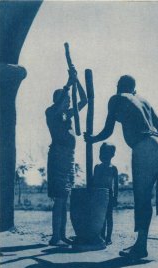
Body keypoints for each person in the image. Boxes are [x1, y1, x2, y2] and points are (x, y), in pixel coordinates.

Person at [84, 75, 158, 258]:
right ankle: (141, 244)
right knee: (148, 198)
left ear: (119, 87)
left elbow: (109, 129)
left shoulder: (117, 98)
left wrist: (92, 139)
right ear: (134, 89)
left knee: (142, 198)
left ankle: (140, 247)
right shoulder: (144, 101)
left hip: (145, 146)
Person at [46, 66, 87, 246]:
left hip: (68, 159)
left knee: (65, 198)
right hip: (57, 158)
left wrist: (76, 80)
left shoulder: (67, 115)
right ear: (58, 101)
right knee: (60, 198)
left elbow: (85, 100)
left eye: (70, 100)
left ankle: (61, 235)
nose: (69, 103)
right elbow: (61, 101)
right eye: (66, 100)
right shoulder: (51, 113)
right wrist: (68, 85)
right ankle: (55, 236)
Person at [93, 143, 118, 245]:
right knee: (101, 217)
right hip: (99, 194)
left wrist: (115, 197)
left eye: (106, 153)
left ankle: (108, 237)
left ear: (112, 155)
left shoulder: (113, 168)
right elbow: (94, 182)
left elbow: (116, 185)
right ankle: (101, 236)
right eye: (102, 153)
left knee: (109, 217)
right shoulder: (97, 167)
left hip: (109, 194)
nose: (103, 156)